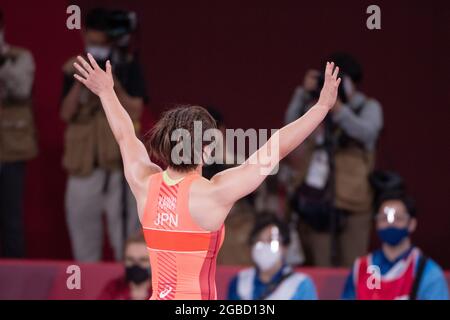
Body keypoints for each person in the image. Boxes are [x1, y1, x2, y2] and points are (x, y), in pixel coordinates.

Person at [73, 51, 341, 299]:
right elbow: (275, 149)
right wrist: (321, 108)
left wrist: (106, 92)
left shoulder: (143, 183)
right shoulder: (213, 194)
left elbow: (124, 136)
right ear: (208, 147)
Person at [60, 8, 149, 261]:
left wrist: (110, 86)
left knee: (126, 241)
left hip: (120, 170)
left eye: (103, 42)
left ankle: (128, 288)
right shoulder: (73, 67)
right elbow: (65, 113)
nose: (97, 46)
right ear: (85, 35)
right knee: (84, 243)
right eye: (93, 41)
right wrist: (83, 78)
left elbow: (136, 108)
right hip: (83, 168)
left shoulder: (128, 67)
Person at [285, 53, 383, 267]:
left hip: (354, 203)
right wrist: (303, 94)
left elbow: (368, 133)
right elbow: (289, 130)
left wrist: (338, 109)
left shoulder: (368, 107)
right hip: (318, 201)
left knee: (351, 266)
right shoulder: (316, 106)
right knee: (321, 266)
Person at [342, 192, 449, 300]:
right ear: (376, 223)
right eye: (384, 218)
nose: (390, 224)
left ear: (411, 224)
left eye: (398, 218)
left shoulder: (428, 272)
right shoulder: (360, 268)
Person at [0, 10, 37, 257]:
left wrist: (2, 60)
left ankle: (16, 282)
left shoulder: (20, 57)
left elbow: (22, 90)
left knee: (10, 221)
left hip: (11, 150)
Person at [227, 213, 317, 300]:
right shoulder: (240, 282)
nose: (264, 246)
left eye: (271, 240)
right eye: (258, 240)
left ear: (284, 247)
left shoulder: (300, 285)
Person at [98, 231, 152, 300]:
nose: (136, 265)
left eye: (143, 260)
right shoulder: (114, 288)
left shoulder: (163, 292)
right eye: (130, 259)